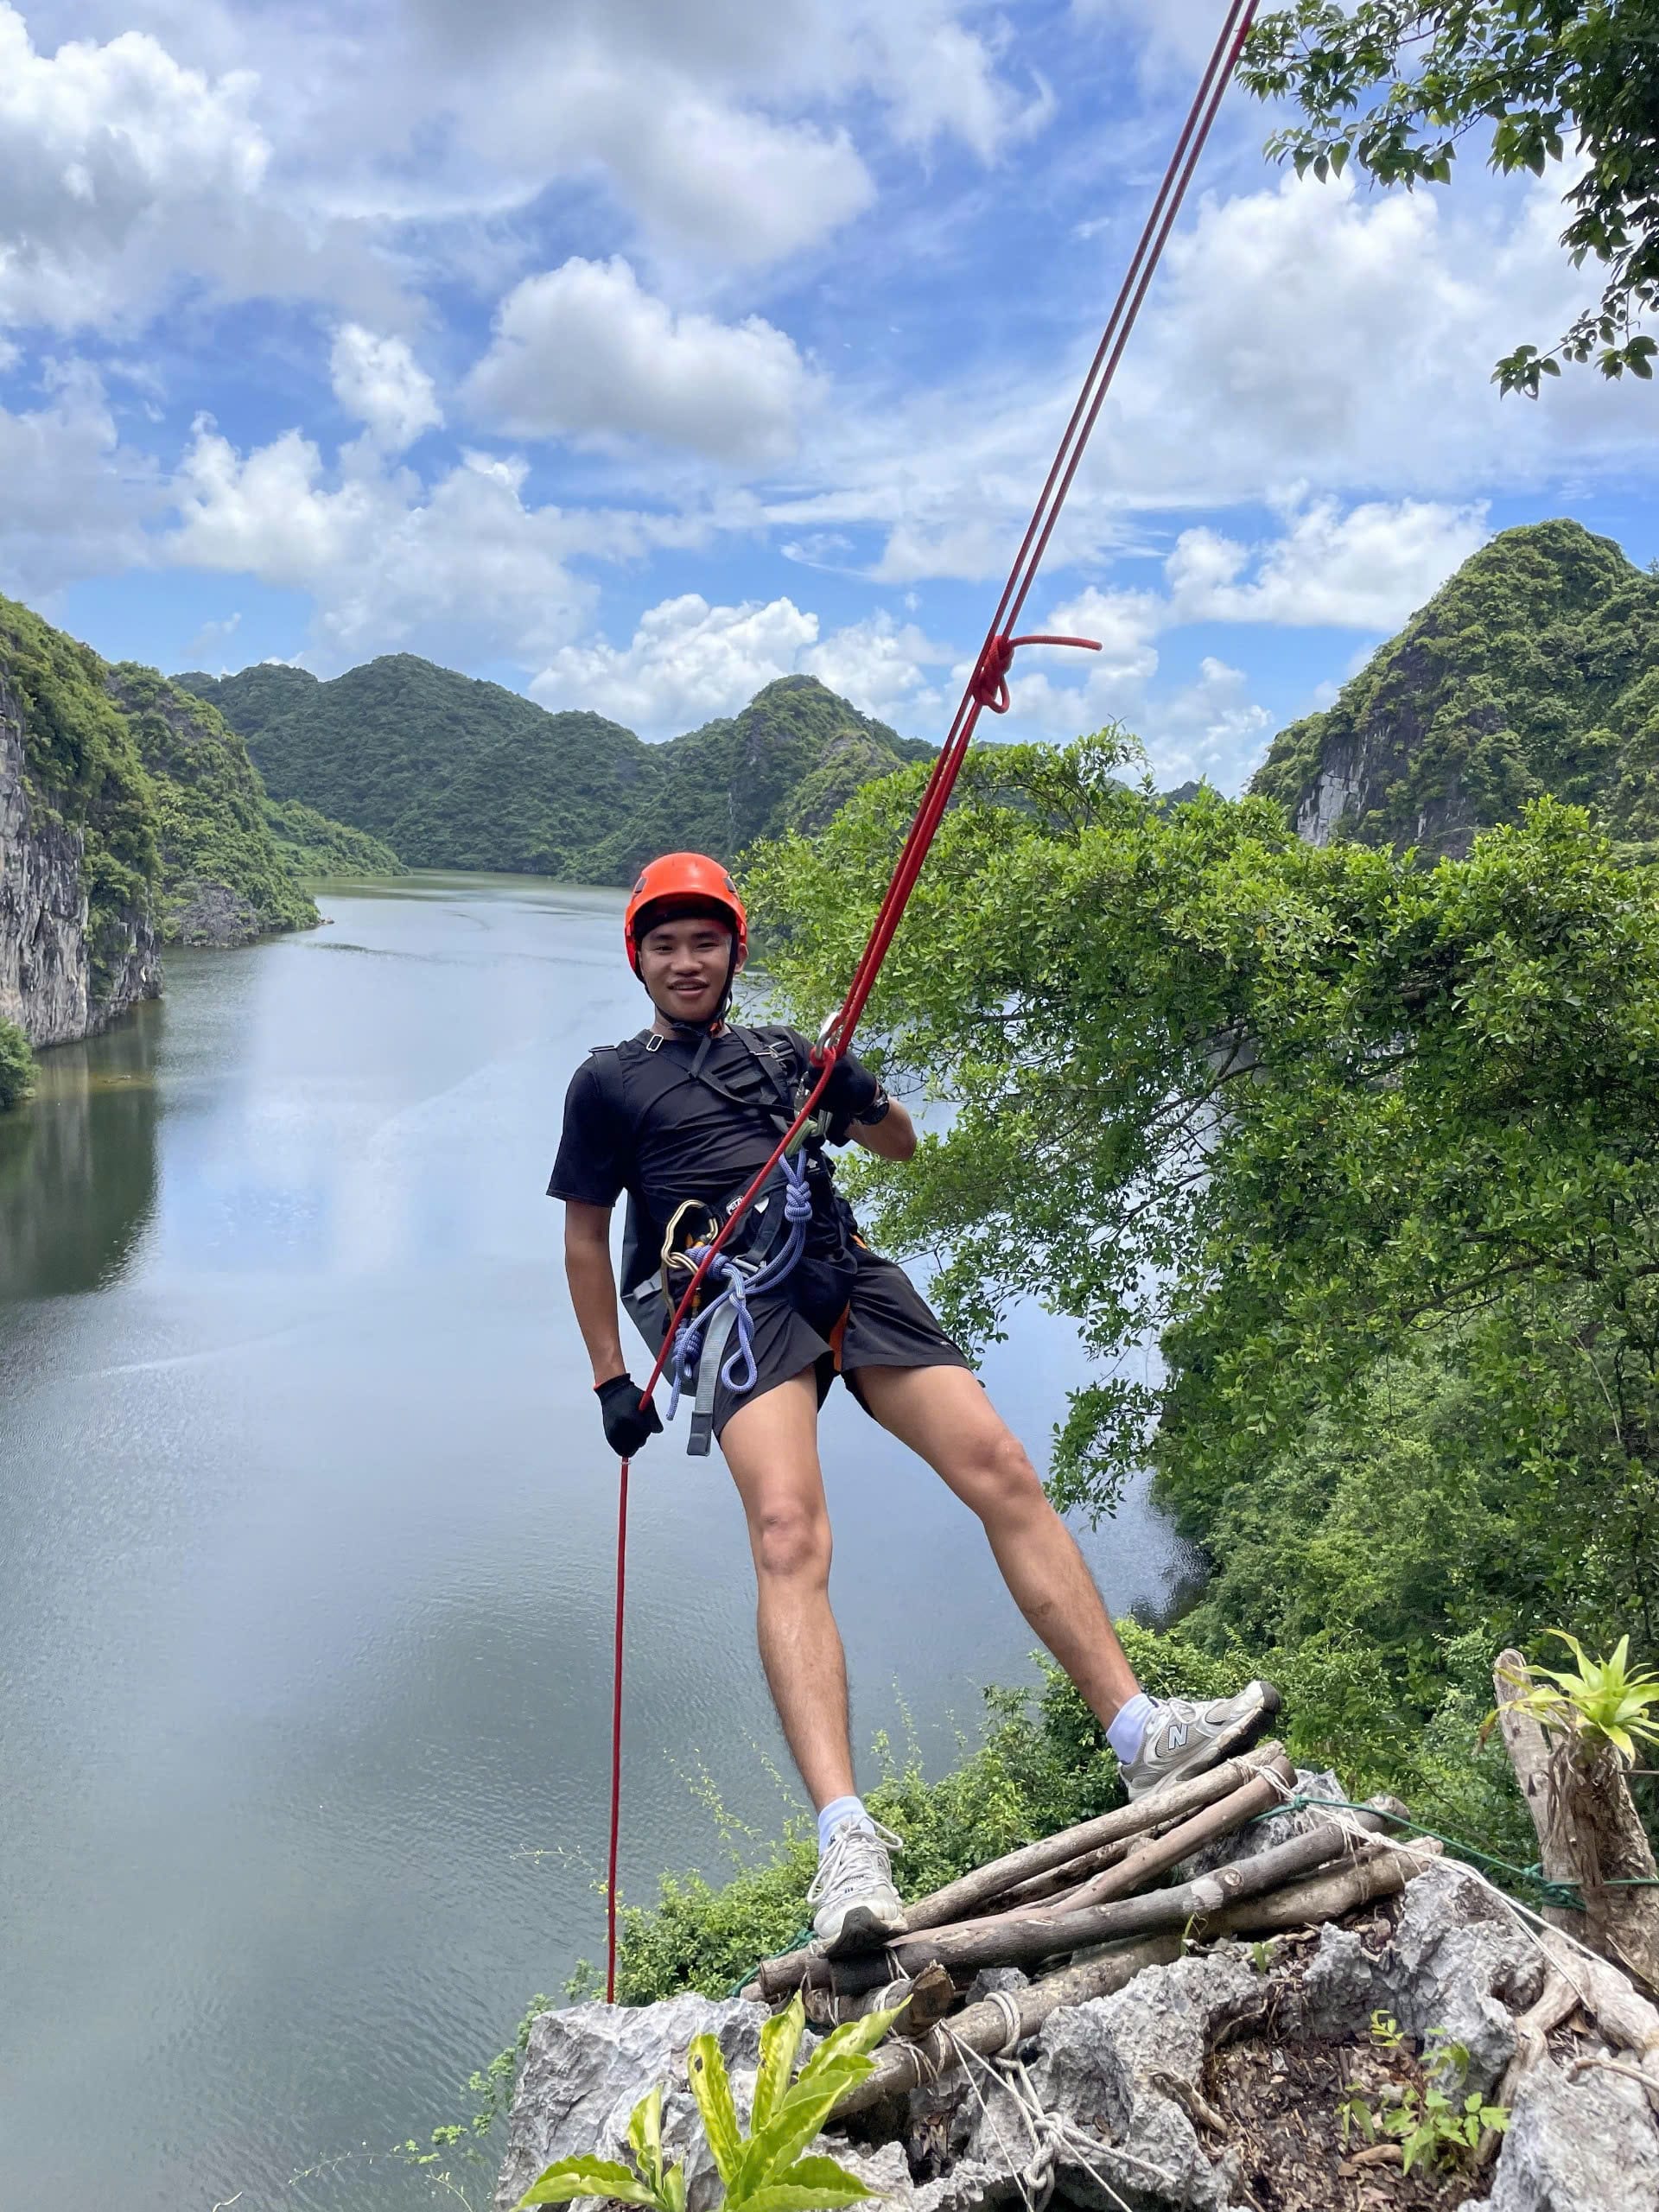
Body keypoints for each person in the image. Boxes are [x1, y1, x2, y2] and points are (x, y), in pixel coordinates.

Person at [550, 852, 1279, 1956]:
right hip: (732, 1303)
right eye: (666, 944)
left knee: (1001, 1469)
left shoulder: (789, 1054)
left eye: (706, 940)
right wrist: (610, 1375)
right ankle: (846, 1842)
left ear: (734, 951)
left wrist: (853, 1088)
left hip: (838, 1266)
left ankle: (1141, 1735)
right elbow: (584, 1236)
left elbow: (901, 1142)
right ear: (639, 960)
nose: (687, 960)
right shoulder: (609, 1081)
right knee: (790, 1531)